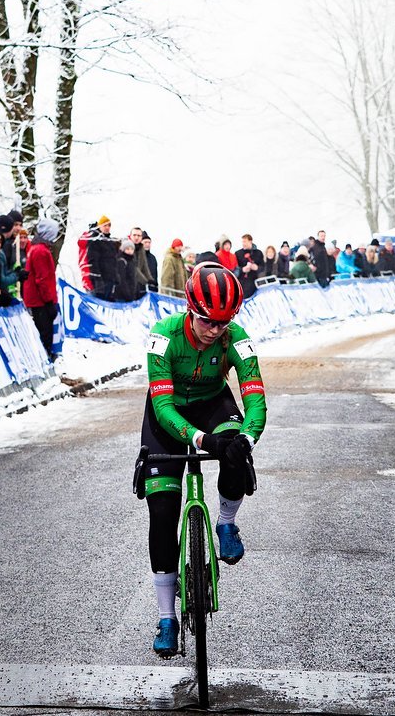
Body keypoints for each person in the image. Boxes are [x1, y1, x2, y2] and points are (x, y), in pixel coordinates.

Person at [137, 264, 265, 657]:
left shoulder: (236, 339)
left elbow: (255, 398)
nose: (215, 330)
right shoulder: (163, 337)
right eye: (208, 321)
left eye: (224, 323)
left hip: (213, 404)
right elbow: (162, 407)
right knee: (161, 512)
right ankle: (166, 617)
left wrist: (245, 437)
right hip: (168, 414)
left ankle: (227, 524)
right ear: (191, 310)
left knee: (234, 449)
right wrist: (198, 439)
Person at [22, 218, 59, 360]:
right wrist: (49, 300)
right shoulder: (41, 251)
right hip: (40, 300)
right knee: (45, 331)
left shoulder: (36, 249)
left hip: (38, 299)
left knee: (44, 330)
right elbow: (42, 279)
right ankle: (46, 356)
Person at [87, 216, 118, 300]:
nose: (107, 227)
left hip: (110, 280)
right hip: (100, 281)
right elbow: (92, 261)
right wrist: (97, 280)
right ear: (99, 226)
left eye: (109, 225)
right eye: (104, 225)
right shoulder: (95, 240)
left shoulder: (110, 242)